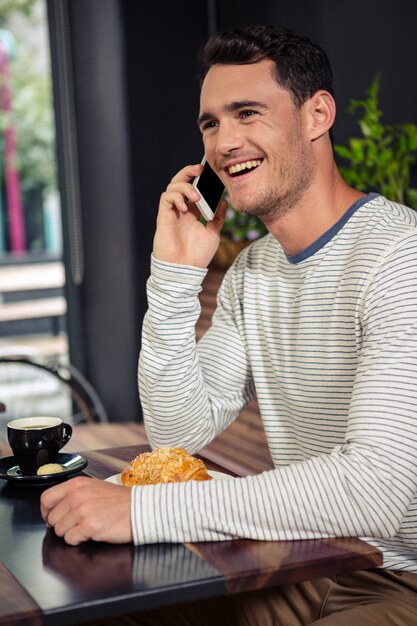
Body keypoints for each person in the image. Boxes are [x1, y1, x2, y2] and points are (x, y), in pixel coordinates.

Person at [41, 25, 417, 624]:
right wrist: (173, 274)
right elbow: (178, 430)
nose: (223, 142)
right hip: (309, 558)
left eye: (247, 112)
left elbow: (373, 491)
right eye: (210, 123)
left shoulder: (399, 258)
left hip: (399, 576)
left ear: (317, 114)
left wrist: (143, 513)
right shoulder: (254, 270)